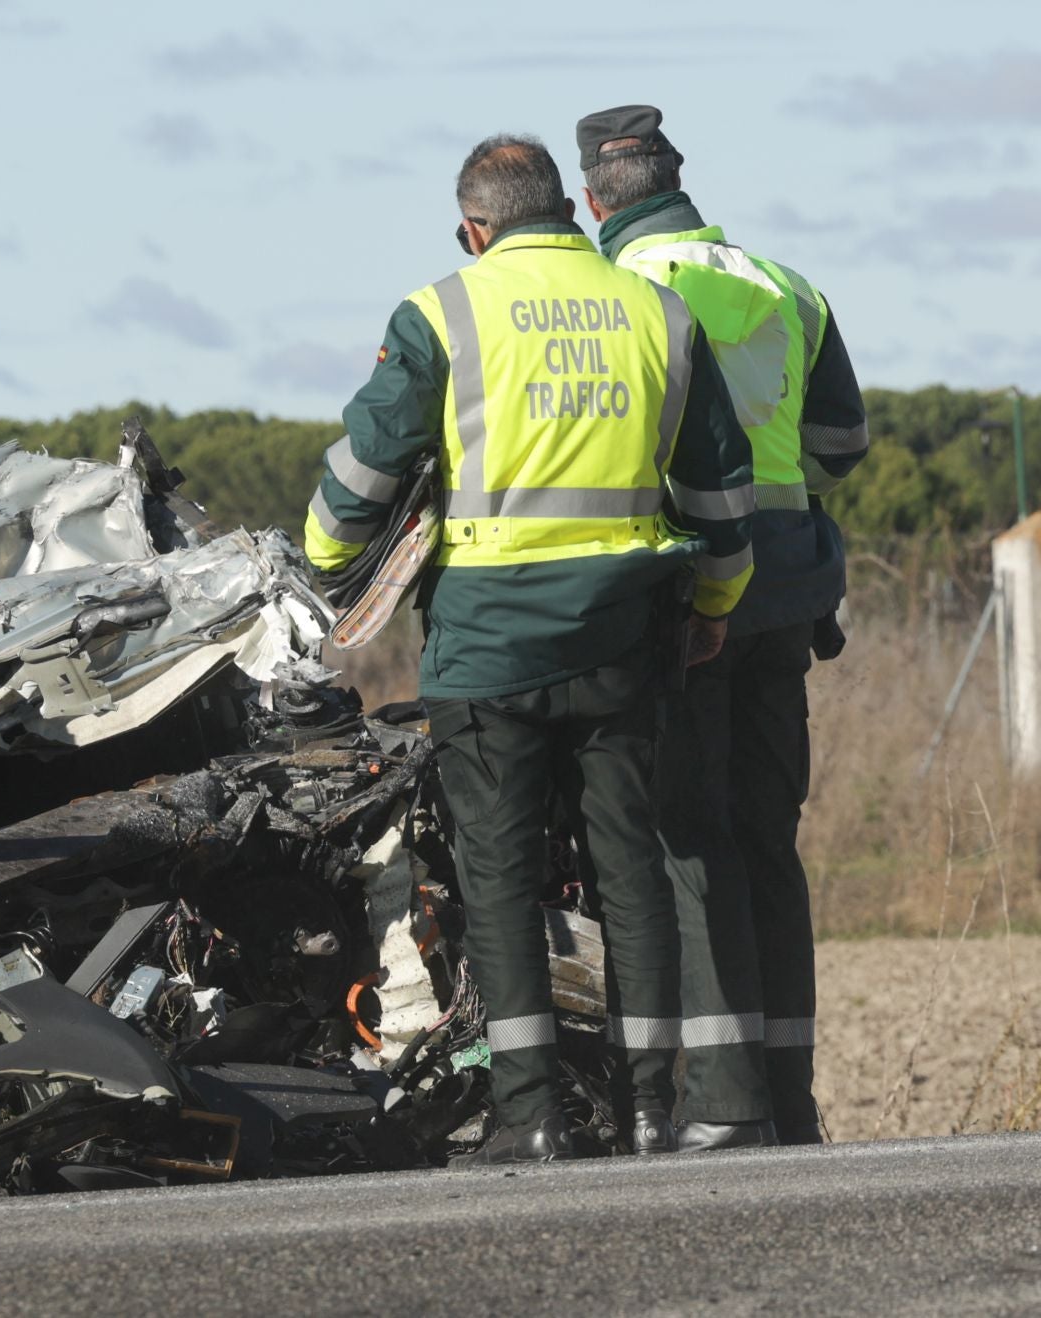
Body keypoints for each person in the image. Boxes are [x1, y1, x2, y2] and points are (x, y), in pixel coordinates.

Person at [306, 134, 756, 1165]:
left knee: (499, 880)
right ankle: (651, 1110)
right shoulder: (659, 312)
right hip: (624, 637)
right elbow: (720, 495)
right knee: (630, 869)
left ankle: (533, 1116)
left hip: (488, 646)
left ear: (475, 229)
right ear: (570, 211)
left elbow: (365, 473)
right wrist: (718, 599)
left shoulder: (441, 313)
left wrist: (323, 558)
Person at [575, 106, 868, 1150]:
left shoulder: (614, 296)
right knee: (768, 841)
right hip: (786, 597)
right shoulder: (784, 283)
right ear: (678, 181)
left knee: (691, 846)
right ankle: (792, 1102)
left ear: (597, 201)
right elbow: (840, 443)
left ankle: (726, 1103)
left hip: (682, 600)